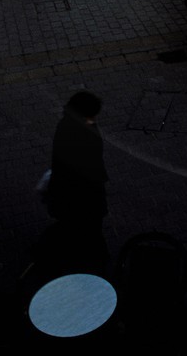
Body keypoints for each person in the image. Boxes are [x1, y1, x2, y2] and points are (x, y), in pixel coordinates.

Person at [41, 91, 108, 274]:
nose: (94, 119)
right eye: (91, 115)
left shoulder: (66, 125)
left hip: (70, 193)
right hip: (82, 194)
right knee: (88, 229)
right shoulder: (81, 133)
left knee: (78, 228)